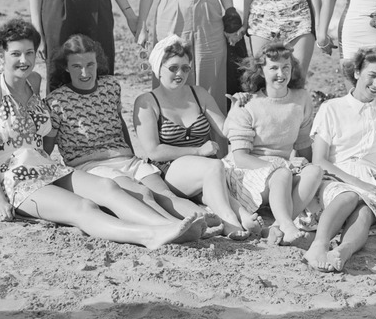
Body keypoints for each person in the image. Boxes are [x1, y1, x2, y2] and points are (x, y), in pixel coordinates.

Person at [0, 19, 204, 248]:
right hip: (16, 179)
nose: (24, 60)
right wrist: (0, 199)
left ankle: (169, 226)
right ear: (2, 53)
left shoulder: (34, 80)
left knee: (108, 187)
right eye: (16, 54)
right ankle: (148, 236)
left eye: (29, 53)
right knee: (84, 208)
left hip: (47, 167)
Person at [44, 33, 248, 240]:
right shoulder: (55, 101)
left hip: (126, 159)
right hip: (89, 164)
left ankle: (207, 218)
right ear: (66, 67)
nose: (85, 72)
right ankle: (172, 227)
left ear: (98, 63)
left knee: (164, 194)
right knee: (141, 193)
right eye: (77, 66)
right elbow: (48, 145)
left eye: (90, 64)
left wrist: (131, 156)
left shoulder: (110, 87)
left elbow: (119, 122)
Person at [132, 36, 263, 240]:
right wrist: (197, 151)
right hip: (169, 170)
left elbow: (225, 130)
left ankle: (243, 216)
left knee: (213, 179)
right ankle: (230, 220)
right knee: (213, 167)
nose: (180, 74)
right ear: (158, 68)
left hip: (202, 172)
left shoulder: (198, 94)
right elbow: (153, 151)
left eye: (185, 68)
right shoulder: (147, 102)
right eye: (173, 68)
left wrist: (237, 108)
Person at [304, 48, 376, 273]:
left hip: (371, 177)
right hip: (335, 174)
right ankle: (318, 246)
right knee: (349, 195)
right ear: (357, 73)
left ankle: (342, 252)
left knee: (367, 212)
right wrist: (359, 184)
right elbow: (319, 160)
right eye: (372, 75)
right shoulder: (332, 108)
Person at [223, 42, 325, 246]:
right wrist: (280, 165)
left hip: (281, 175)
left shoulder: (301, 99)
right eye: (273, 68)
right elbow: (240, 157)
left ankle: (276, 226)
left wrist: (303, 165)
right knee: (283, 172)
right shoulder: (247, 104)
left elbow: (304, 146)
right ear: (260, 70)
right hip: (248, 172)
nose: (281, 73)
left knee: (314, 171)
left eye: (286, 67)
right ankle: (287, 225)